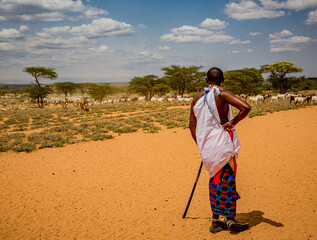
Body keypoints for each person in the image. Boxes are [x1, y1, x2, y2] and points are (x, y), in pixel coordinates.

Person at [189, 67, 251, 233]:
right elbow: (246, 107)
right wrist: (233, 122)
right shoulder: (222, 94)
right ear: (222, 80)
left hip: (207, 147)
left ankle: (216, 221)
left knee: (215, 181)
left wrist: (203, 146)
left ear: (206, 80)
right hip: (222, 145)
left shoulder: (196, 98)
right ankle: (230, 220)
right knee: (228, 180)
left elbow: (191, 125)